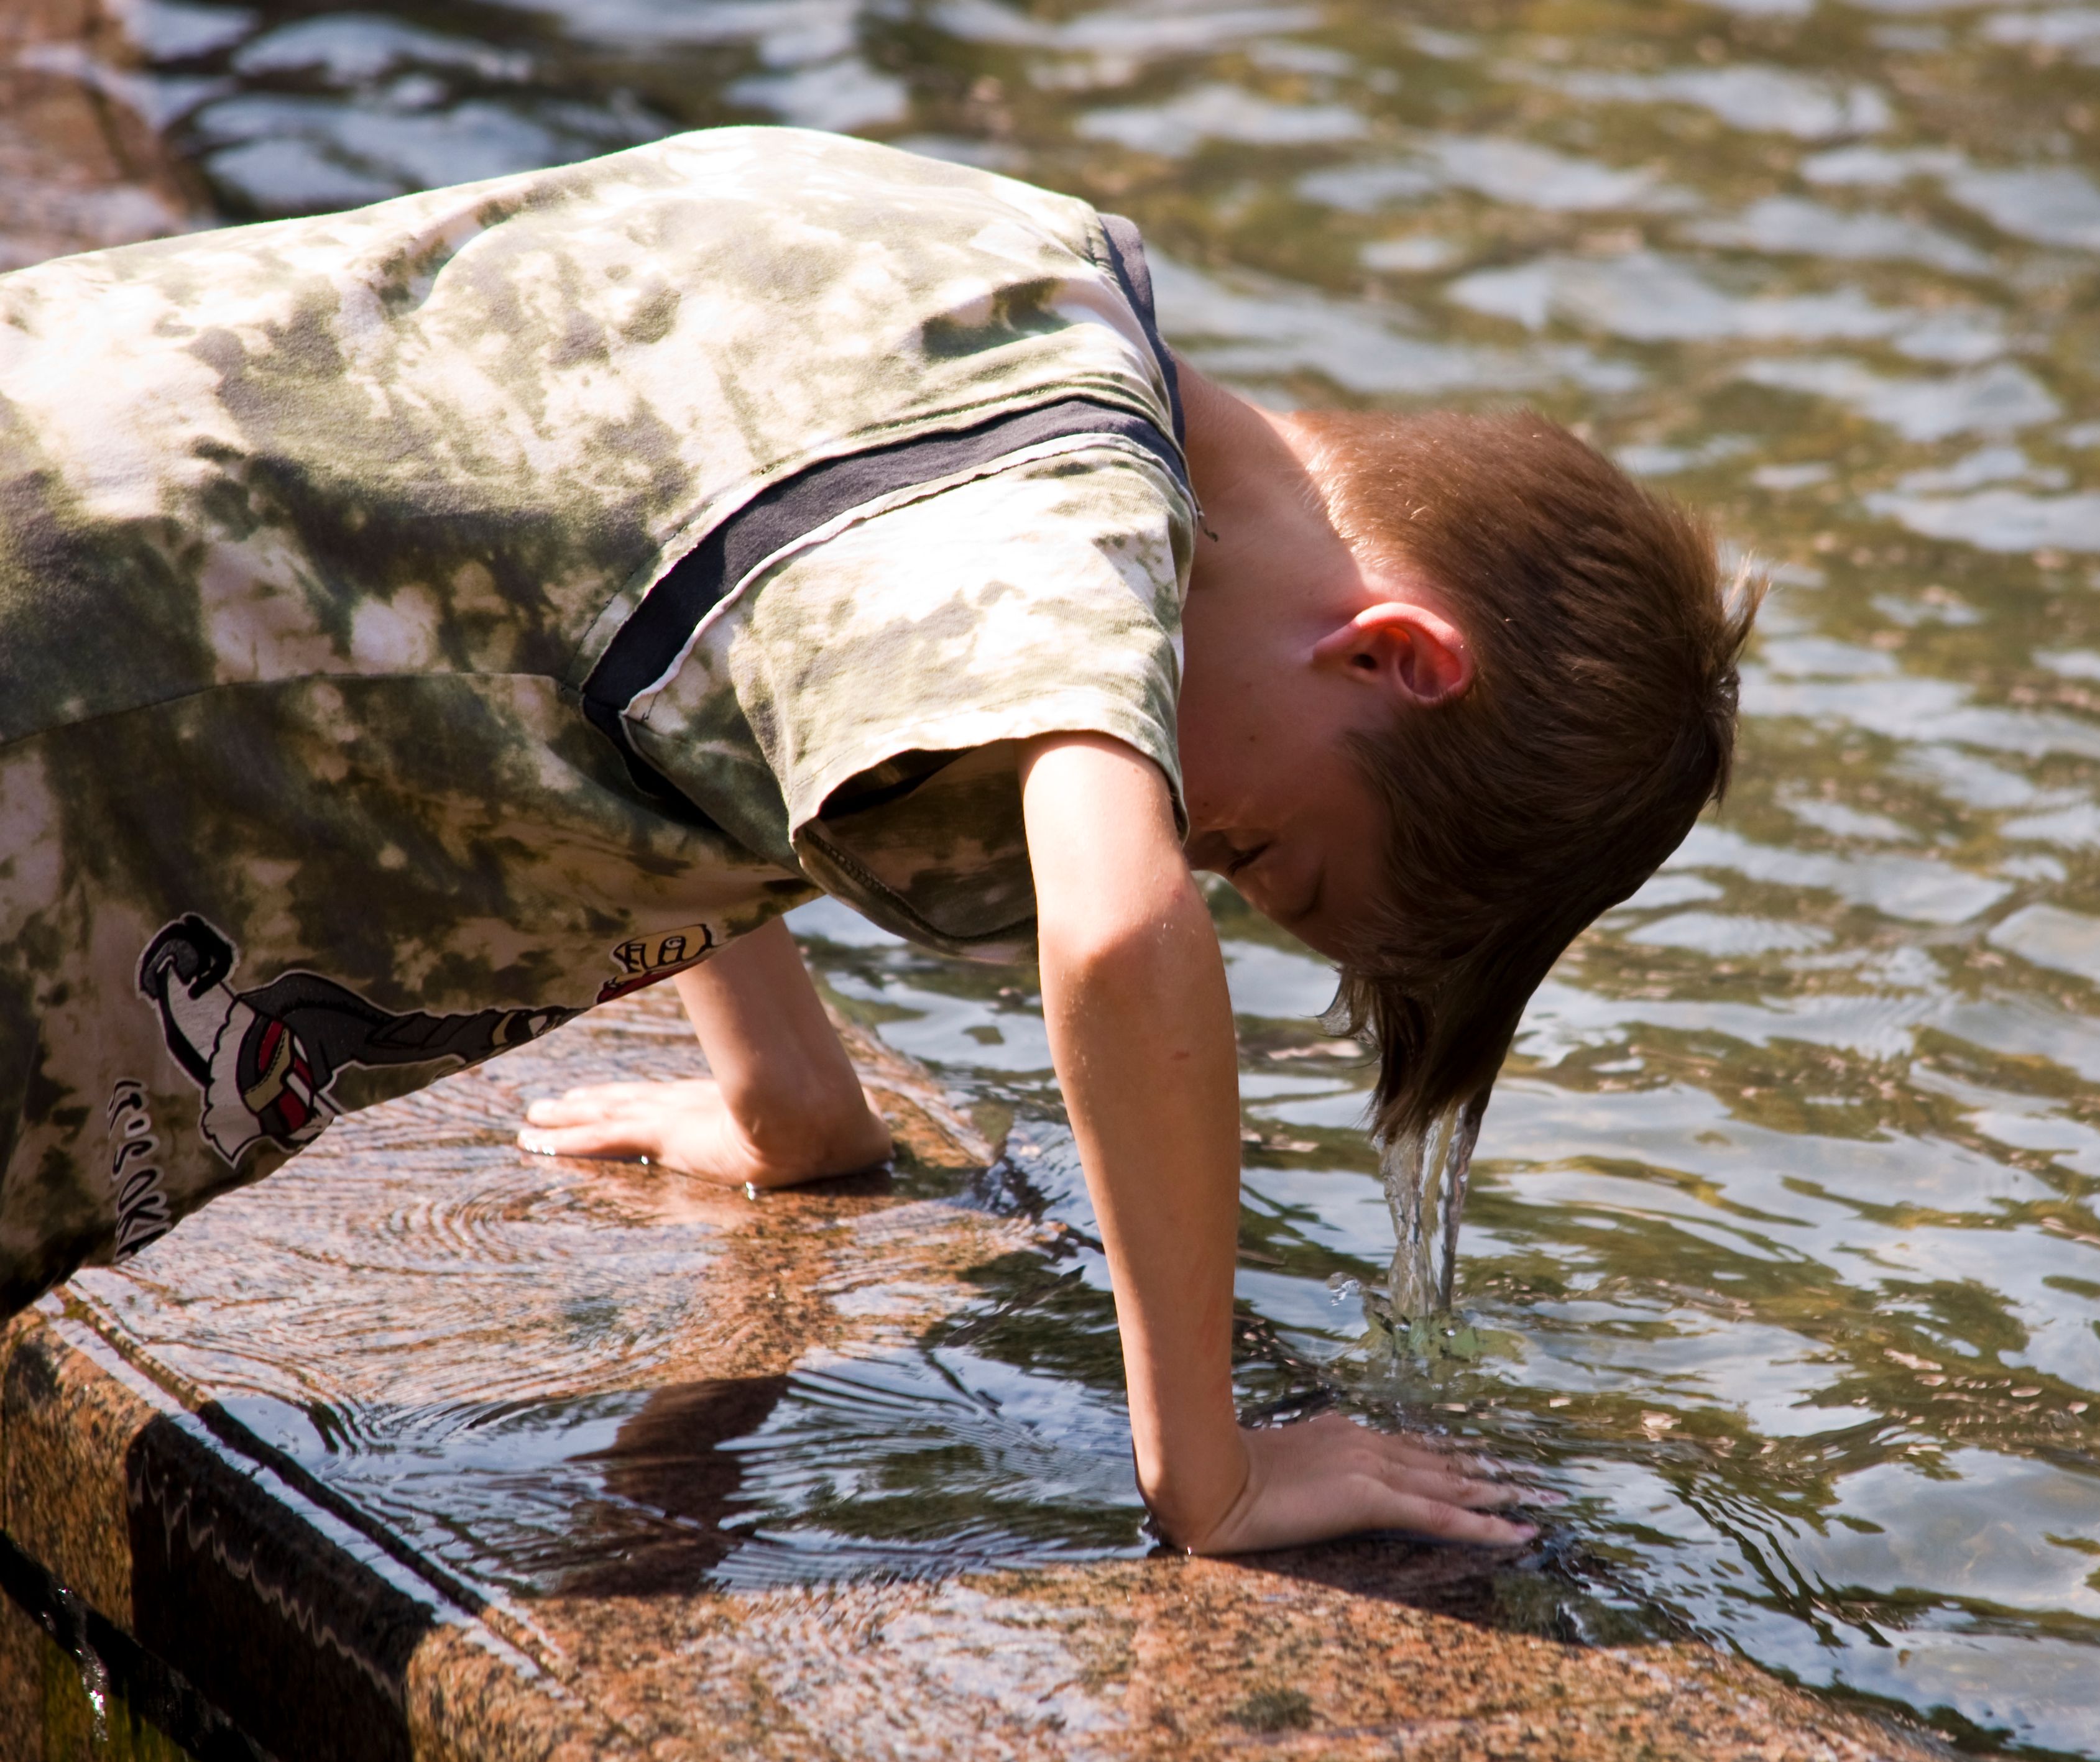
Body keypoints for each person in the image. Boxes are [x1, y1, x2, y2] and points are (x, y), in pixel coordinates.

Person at [0, 126, 1746, 1554]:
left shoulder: (1016, 282)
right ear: (1388, 656)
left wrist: (787, 1103)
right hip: (70, 719)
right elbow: (1119, 934)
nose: (1201, 852)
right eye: (1262, 847)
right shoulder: (1079, 512)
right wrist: (1206, 1468)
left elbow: (621, 587)